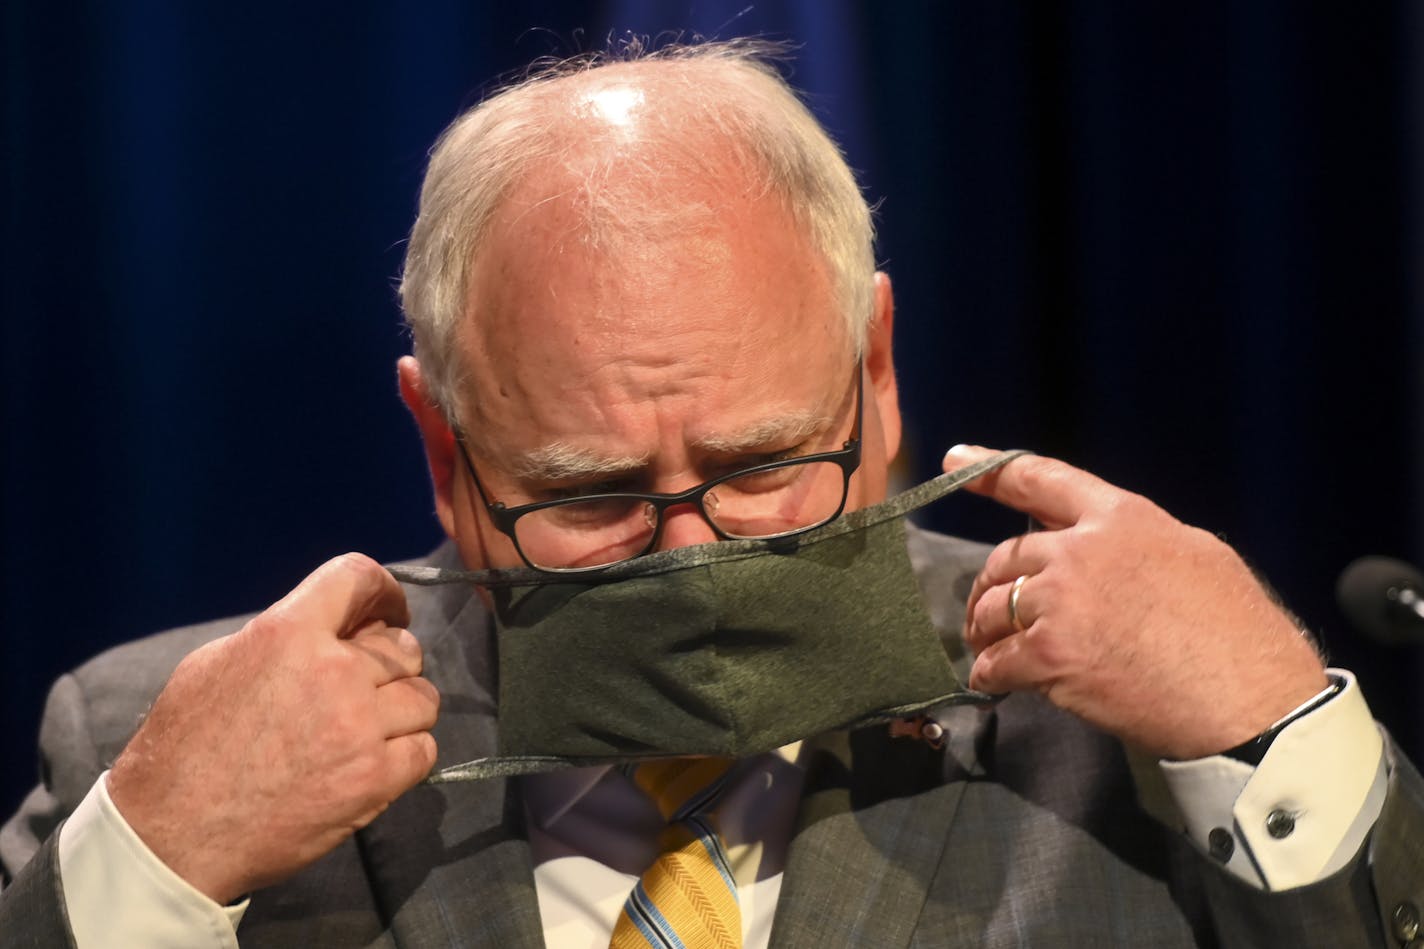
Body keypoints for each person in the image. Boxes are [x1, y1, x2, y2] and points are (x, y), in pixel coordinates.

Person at [0, 40, 1418, 948]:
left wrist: (1274, 724)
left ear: (873, 365)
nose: (689, 557)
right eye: (593, 491)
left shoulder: (1118, 739)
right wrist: (151, 869)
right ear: (441, 443)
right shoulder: (146, 752)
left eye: (756, 468)